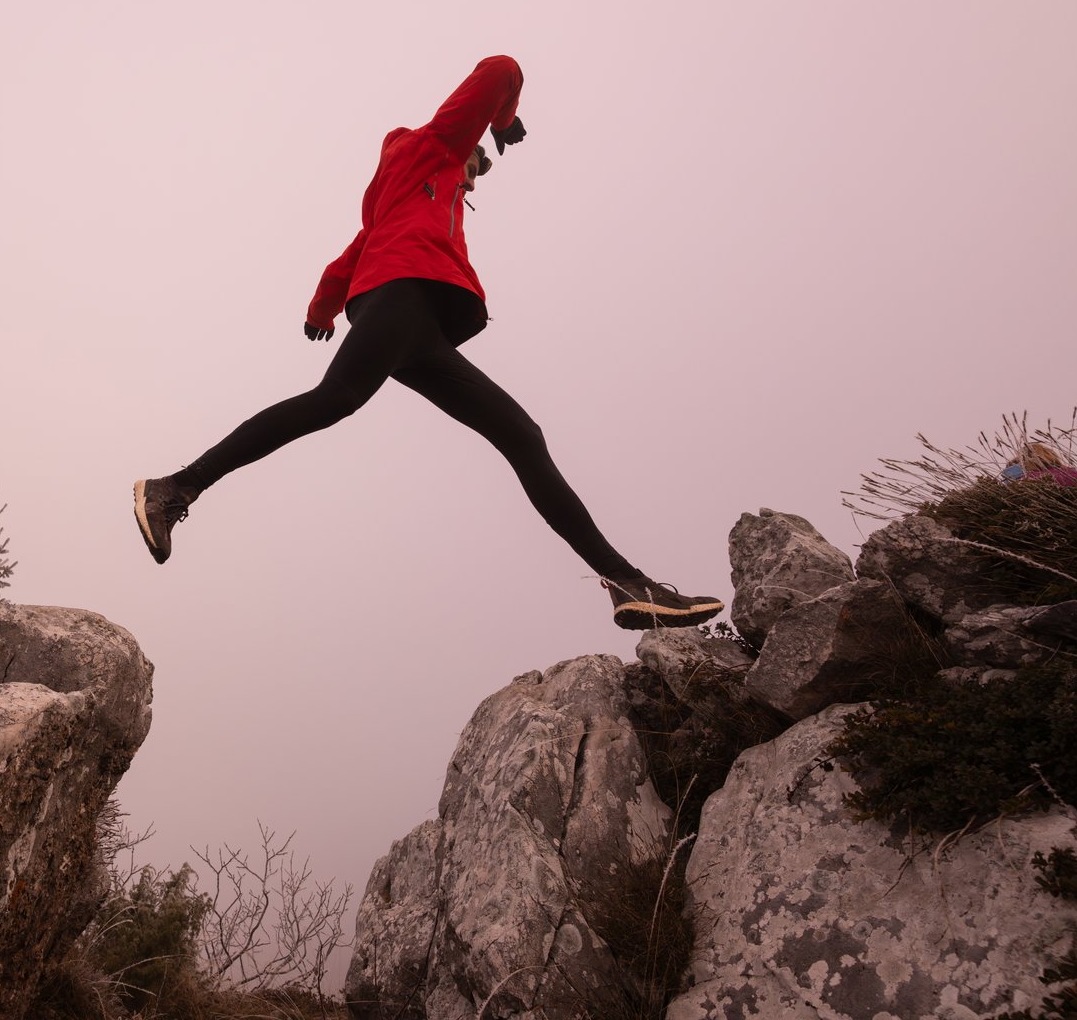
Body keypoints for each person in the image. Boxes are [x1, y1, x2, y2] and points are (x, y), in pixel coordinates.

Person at [132, 55, 723, 631]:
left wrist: (322, 312)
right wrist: (502, 119)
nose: (471, 178)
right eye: (474, 166)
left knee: (522, 435)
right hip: (403, 298)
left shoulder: (398, 199)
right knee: (333, 400)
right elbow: (500, 68)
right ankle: (174, 487)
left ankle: (627, 585)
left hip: (416, 325)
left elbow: (350, 257)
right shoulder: (432, 147)